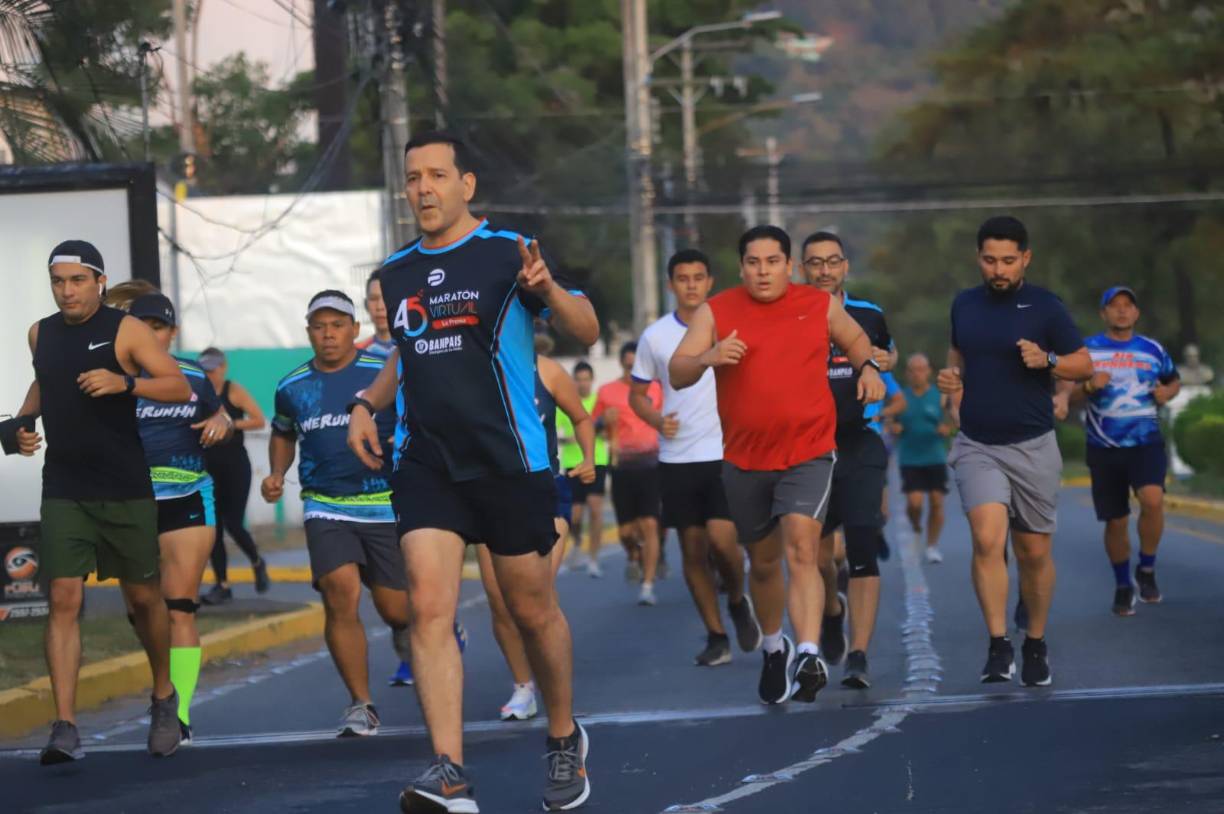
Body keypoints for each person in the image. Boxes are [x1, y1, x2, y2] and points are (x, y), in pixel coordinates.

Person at [347, 130, 598, 812]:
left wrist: (548, 289)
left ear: (467, 186)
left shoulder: (508, 255)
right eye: (412, 178)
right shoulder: (396, 272)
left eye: (435, 175)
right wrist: (368, 403)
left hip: (508, 460)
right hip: (427, 462)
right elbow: (408, 354)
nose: (422, 189)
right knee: (430, 608)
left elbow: (588, 329)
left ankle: (562, 735)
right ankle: (449, 771)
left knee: (530, 609)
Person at [670, 225, 885, 706]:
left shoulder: (817, 304)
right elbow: (677, 372)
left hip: (808, 451)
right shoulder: (717, 310)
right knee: (763, 564)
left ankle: (807, 653)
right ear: (742, 266)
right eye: (753, 262)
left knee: (803, 549)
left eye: (772, 262)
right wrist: (707, 356)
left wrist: (867, 369)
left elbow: (854, 339)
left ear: (788, 266)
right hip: (745, 459)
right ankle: (774, 647)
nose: (762, 271)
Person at [14, 240, 190, 763]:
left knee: (142, 599)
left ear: (98, 281)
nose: (66, 291)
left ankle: (163, 695)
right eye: (58, 282)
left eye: (76, 280)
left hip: (123, 486)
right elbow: (42, 386)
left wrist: (125, 382)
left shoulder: (126, 330)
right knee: (64, 597)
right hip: (65, 486)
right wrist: (20, 428)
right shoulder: (40, 333)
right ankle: (64, 725)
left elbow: (178, 388)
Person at [937, 215, 1092, 687]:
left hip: (1032, 444)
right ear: (978, 259)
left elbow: (1084, 363)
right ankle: (998, 644)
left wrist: (1047, 360)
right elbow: (957, 357)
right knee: (986, 539)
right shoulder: (964, 305)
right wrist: (952, 385)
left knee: (1032, 553)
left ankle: (1036, 644)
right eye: (989, 260)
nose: (998, 269)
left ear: (1025, 258)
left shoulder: (1046, 307)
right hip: (978, 443)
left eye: (1008, 260)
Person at [263, 290, 413, 737]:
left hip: (384, 503)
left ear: (354, 330)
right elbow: (283, 432)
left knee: (396, 609)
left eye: (336, 325)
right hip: (325, 504)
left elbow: (413, 421)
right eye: (318, 326)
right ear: (309, 331)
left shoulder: (381, 374)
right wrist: (275, 473)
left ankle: (416, 629)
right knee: (338, 591)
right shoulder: (292, 387)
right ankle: (361, 704)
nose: (327, 335)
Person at [109, 289, 235, 742]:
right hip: (131, 501)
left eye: (159, 327)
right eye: (142, 326)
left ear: (172, 332)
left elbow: (222, 418)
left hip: (187, 496)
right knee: (142, 610)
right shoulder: (115, 379)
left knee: (180, 607)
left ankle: (176, 714)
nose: (151, 334)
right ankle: (162, 689)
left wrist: (224, 424)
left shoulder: (193, 377)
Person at [629, 248, 762, 666]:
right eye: (682, 278)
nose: (690, 284)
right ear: (671, 285)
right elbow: (637, 393)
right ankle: (716, 635)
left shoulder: (730, 325)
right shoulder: (655, 337)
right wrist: (655, 418)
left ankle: (738, 600)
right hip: (677, 457)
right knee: (692, 547)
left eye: (698, 277)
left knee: (724, 542)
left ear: (710, 282)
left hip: (725, 452)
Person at [478, 336, 597, 721]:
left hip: (544, 491)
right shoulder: (474, 370)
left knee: (537, 595)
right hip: (488, 493)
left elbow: (581, 417)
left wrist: (590, 458)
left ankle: (556, 685)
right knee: (499, 598)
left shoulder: (547, 371)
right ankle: (523, 687)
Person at [802, 231, 898, 690]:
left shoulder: (869, 313)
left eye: (833, 261)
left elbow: (889, 351)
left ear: (845, 267)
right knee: (816, 555)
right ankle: (831, 611)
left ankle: (858, 654)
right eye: (815, 263)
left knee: (862, 538)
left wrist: (883, 360)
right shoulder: (789, 315)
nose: (824, 270)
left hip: (859, 441)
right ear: (803, 269)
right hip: (806, 449)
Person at [1077, 286, 1180, 614]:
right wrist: (1089, 386)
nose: (1122, 311)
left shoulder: (1152, 349)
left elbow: (1173, 381)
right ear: (1103, 313)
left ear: (1136, 313)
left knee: (1153, 501)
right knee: (1116, 522)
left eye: (1128, 306)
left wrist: (1168, 393)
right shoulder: (1087, 351)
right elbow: (1067, 391)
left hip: (1145, 442)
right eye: (1114, 306)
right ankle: (1123, 584)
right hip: (1104, 446)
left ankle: (1146, 569)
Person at [196, 346, 270, 605]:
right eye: (205, 370)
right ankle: (222, 584)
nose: (210, 375)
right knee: (212, 528)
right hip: (207, 466)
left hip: (236, 465)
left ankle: (257, 561)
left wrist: (229, 423)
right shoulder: (198, 393)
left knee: (233, 522)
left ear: (223, 367)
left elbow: (259, 419)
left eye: (214, 370)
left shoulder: (232, 390)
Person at [595, 342, 663, 606]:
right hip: (621, 465)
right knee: (625, 532)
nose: (631, 369)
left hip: (651, 464)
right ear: (621, 364)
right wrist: (603, 421)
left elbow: (669, 417)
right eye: (627, 364)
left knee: (649, 524)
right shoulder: (607, 391)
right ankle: (633, 554)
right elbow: (593, 425)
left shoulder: (656, 389)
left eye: (636, 365)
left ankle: (647, 585)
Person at [896, 353, 953, 564]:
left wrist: (947, 429)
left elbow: (953, 421)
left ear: (929, 371)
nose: (917, 373)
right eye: (913, 370)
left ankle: (931, 545)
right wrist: (894, 427)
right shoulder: (901, 397)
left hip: (935, 457)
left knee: (937, 502)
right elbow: (890, 422)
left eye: (921, 369)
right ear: (907, 373)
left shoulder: (940, 396)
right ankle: (917, 526)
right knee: (915, 504)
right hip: (910, 458)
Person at [558, 361, 611, 578]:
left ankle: (593, 559)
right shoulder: (566, 402)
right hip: (572, 463)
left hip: (596, 460)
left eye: (586, 379)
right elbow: (556, 431)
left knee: (596, 510)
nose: (582, 383)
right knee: (575, 516)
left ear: (592, 379)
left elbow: (608, 432)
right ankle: (577, 544)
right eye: (578, 379)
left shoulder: (599, 402)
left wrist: (600, 435)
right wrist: (567, 438)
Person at [357, 269, 397, 358]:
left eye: (387, 298)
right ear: (366, 304)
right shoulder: (355, 353)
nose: (380, 307)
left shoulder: (415, 349)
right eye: (373, 299)